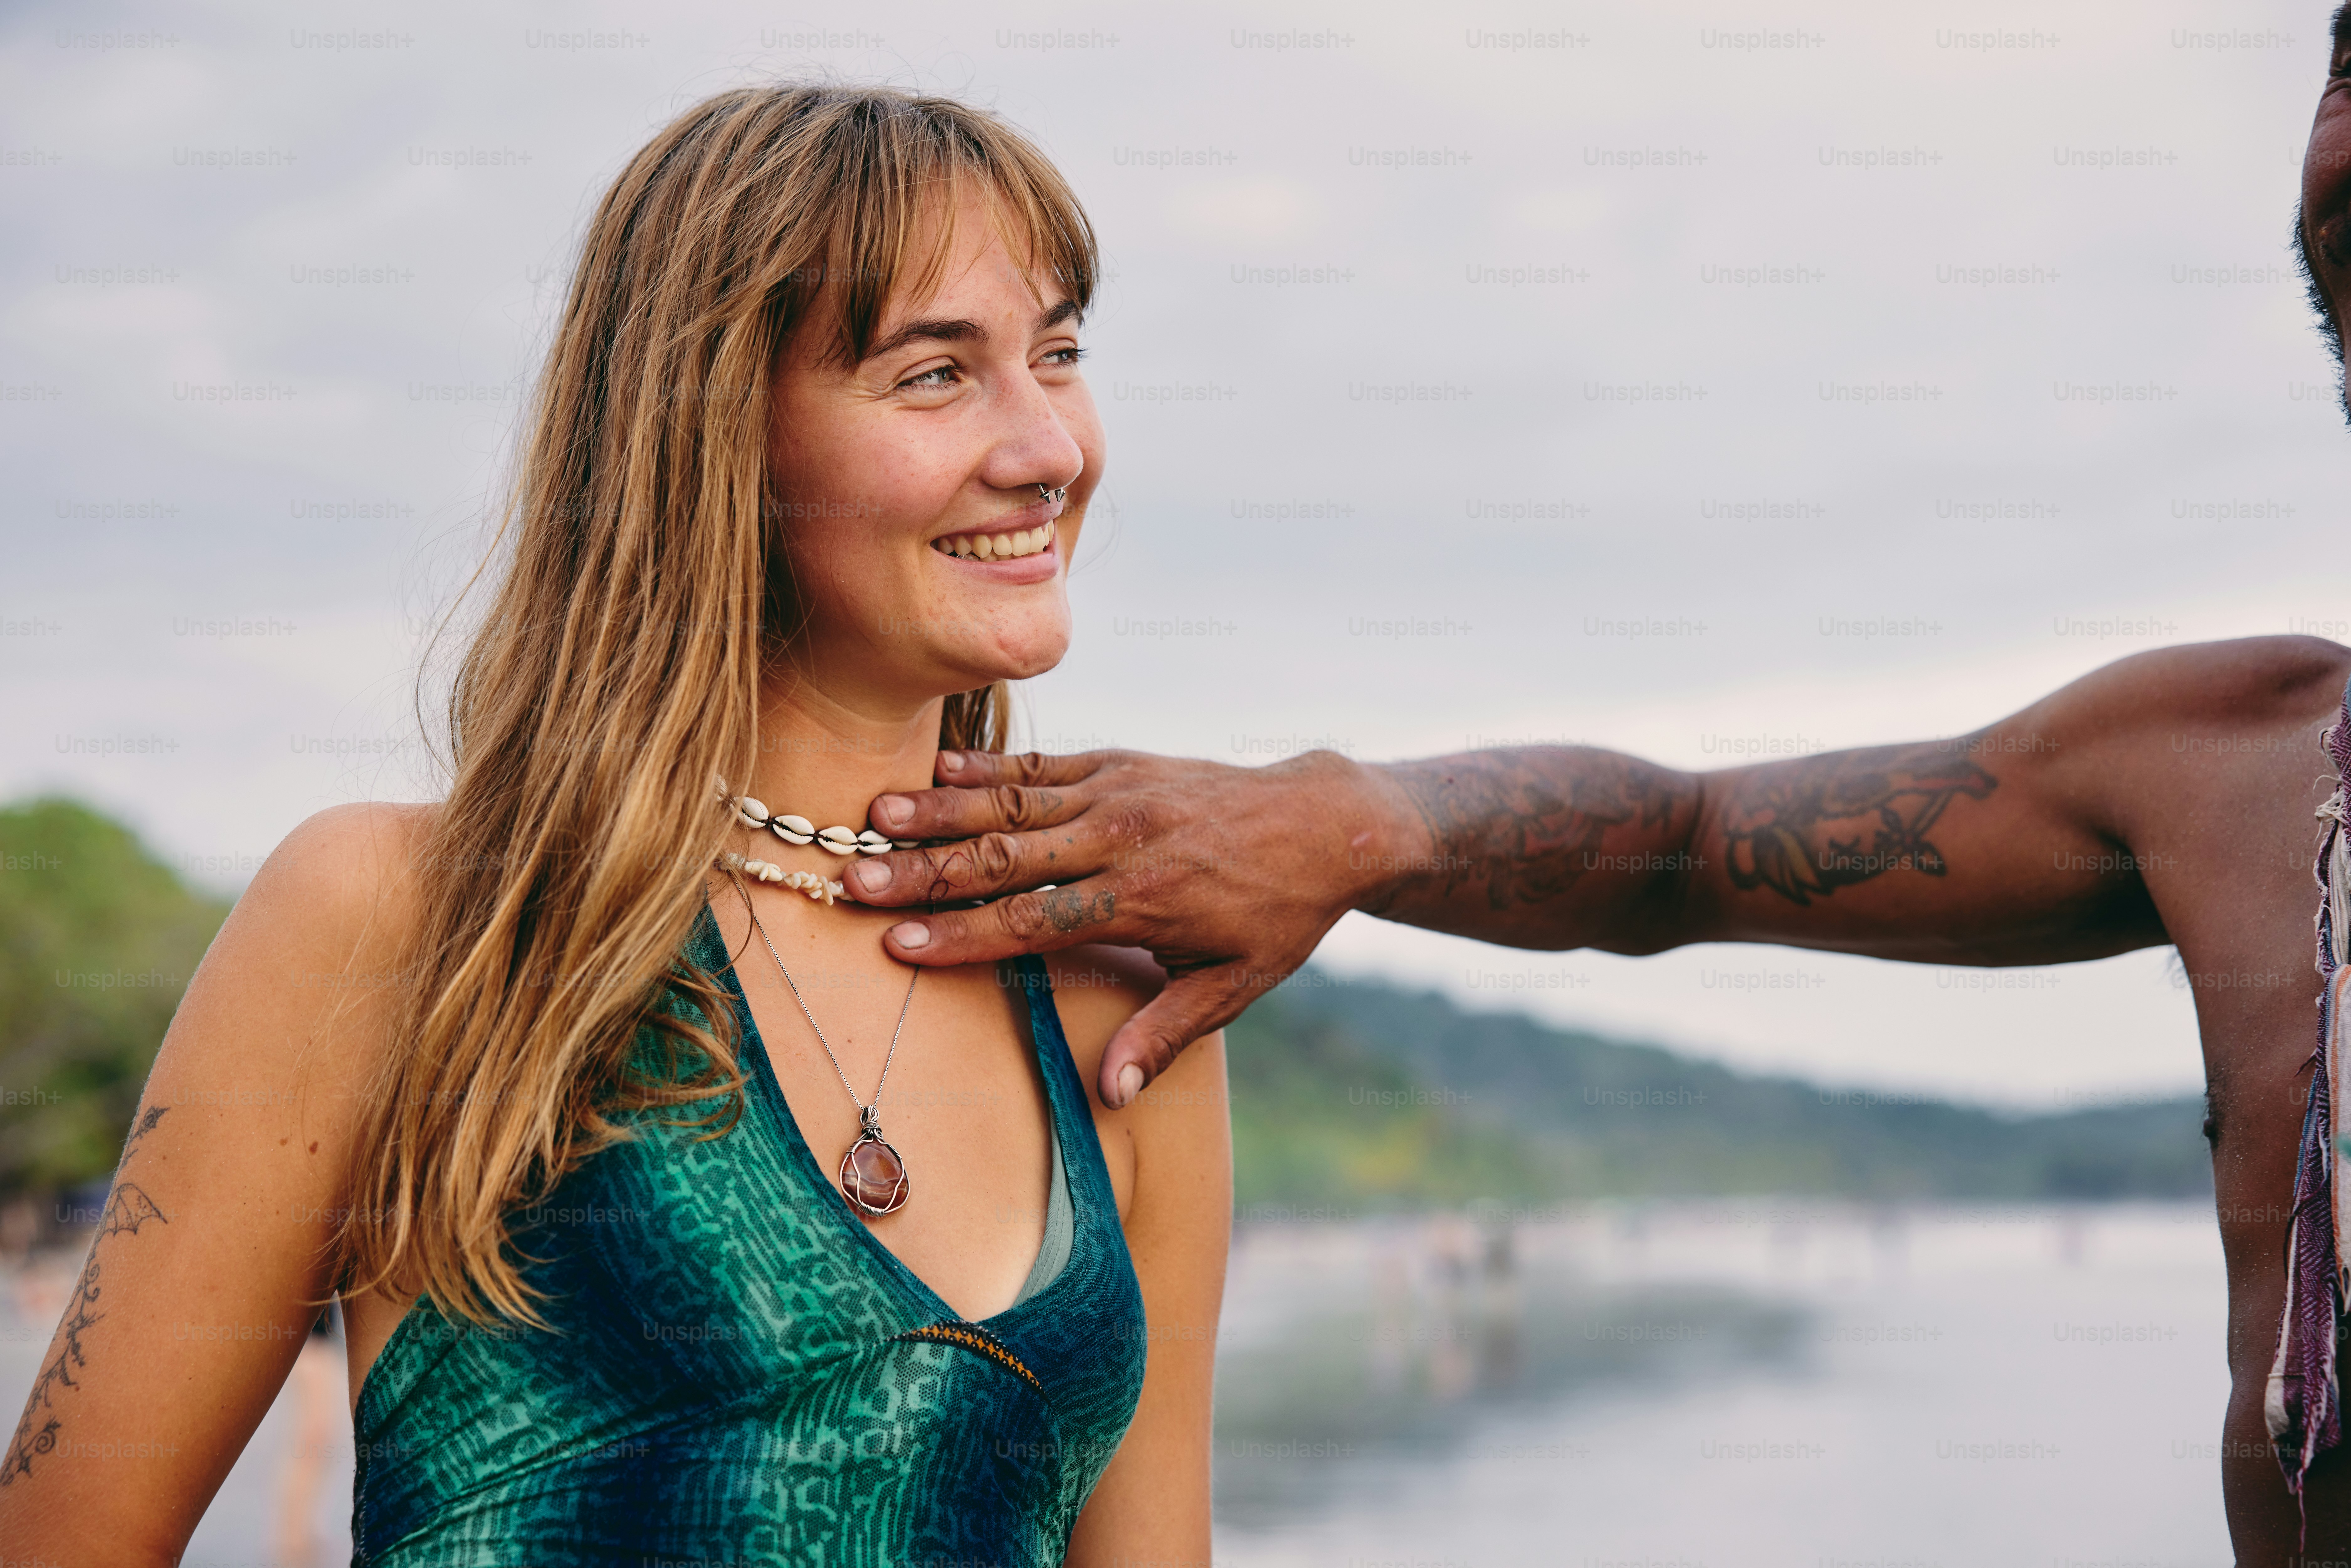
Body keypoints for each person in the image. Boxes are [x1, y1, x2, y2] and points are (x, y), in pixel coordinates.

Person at [835, 15, 2351, 1560]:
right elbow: (1676, 851)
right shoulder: (2231, 760)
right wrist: (1341, 822)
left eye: (1058, 353)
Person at [0, 85, 1230, 1566]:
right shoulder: (409, 920)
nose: (1050, 450)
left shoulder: (1128, 1005)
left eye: (1059, 356)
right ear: (722, 434)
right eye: (933, 375)